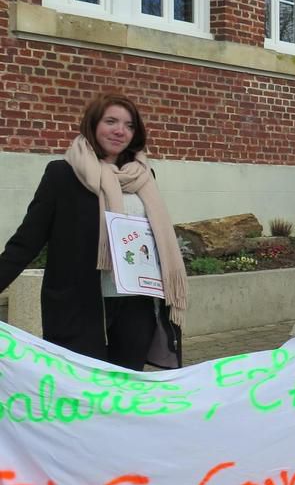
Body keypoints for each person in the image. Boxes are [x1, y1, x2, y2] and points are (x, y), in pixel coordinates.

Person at [0, 93, 185, 370]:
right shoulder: (62, 175)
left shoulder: (145, 177)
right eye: (111, 121)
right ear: (93, 124)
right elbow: (26, 242)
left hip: (136, 304)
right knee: (81, 393)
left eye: (129, 124)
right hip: (79, 305)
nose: (120, 130)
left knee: (125, 388)